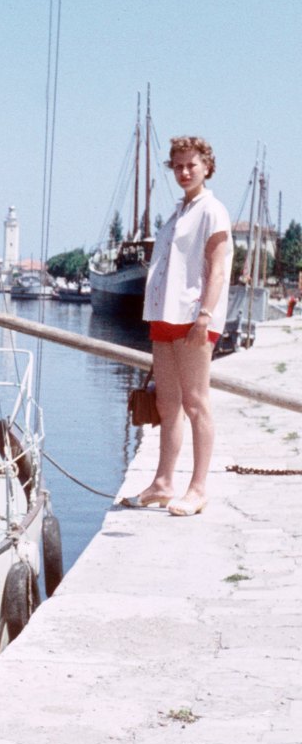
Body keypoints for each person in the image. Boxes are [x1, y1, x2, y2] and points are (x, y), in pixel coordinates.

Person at [122, 136, 232, 517]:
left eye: (192, 165)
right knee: (168, 404)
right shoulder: (177, 212)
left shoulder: (212, 211)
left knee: (196, 402)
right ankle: (163, 482)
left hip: (192, 317)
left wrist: (205, 314)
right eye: (179, 165)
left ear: (207, 167)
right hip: (163, 315)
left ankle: (198, 488)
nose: (184, 171)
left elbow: (217, 269)